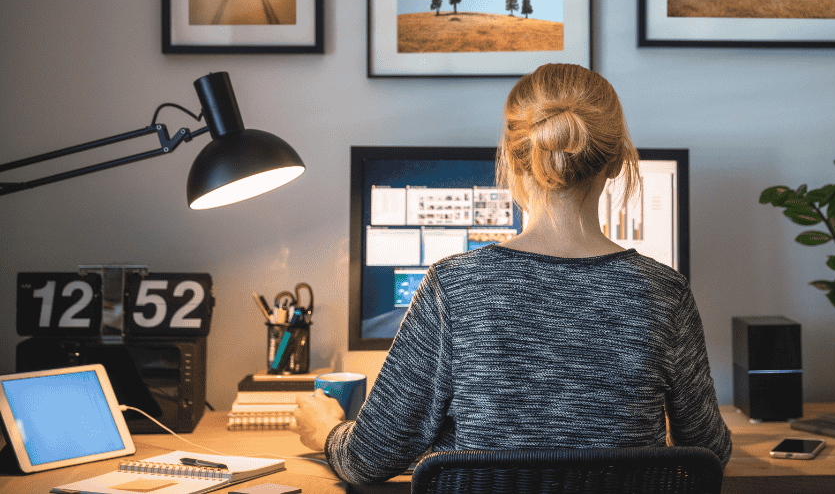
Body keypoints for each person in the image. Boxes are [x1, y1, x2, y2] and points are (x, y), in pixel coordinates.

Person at [293, 63, 733, 486]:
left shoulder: (453, 287)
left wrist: (328, 431)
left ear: (515, 160)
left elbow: (369, 459)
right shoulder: (664, 293)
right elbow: (709, 451)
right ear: (617, 162)